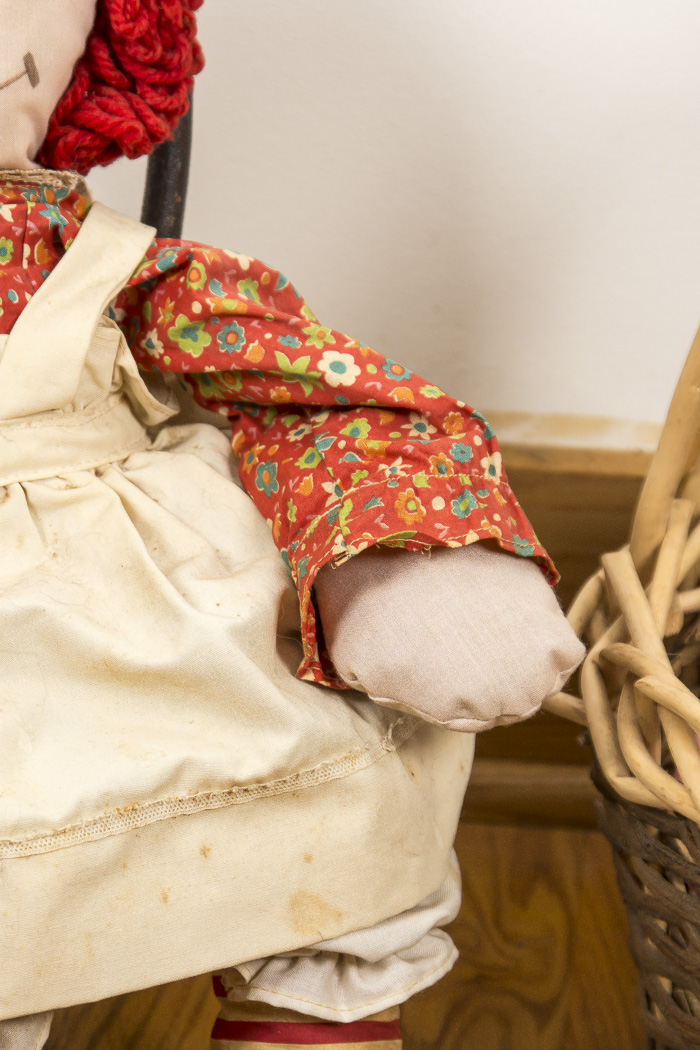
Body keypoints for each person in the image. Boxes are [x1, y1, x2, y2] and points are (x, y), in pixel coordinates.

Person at [0, 3, 583, 1047]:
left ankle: (314, 1014)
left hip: (112, 603)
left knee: (316, 778)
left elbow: (307, 390)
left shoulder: (118, 270)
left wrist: (412, 550)